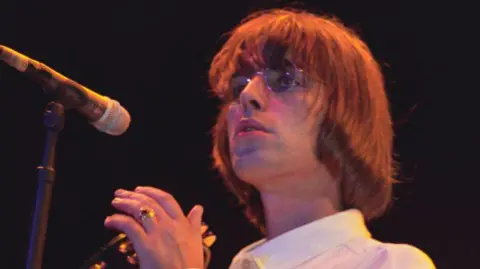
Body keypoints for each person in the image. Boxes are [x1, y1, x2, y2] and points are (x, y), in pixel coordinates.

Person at [103, 8, 436, 269]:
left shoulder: (388, 264)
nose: (248, 95)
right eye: (238, 87)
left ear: (347, 114)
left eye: (286, 80)